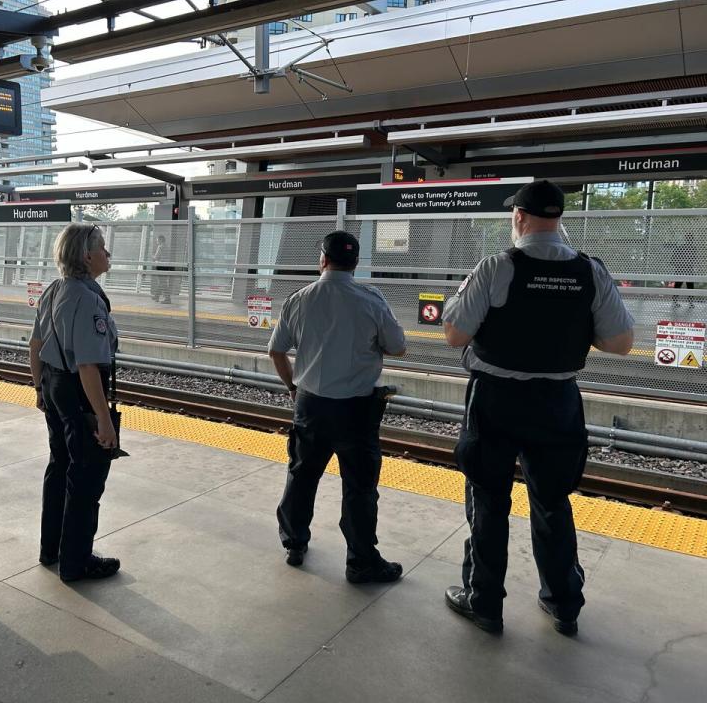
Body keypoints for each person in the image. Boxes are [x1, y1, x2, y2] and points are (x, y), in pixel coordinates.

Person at [442, 179, 634, 635]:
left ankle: (484, 601)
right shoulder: (591, 272)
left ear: (519, 218)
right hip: (557, 402)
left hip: (495, 399)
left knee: (489, 500)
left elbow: (454, 334)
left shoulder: (496, 266)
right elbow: (621, 343)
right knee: (551, 501)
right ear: (559, 219)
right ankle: (563, 602)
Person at [269, 231, 407, 584]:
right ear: (356, 262)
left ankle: (295, 543)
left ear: (322, 259)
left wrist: (292, 388)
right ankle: (361, 561)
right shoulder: (371, 300)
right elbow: (398, 347)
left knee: (302, 476)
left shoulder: (299, 299)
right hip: (357, 412)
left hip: (310, 405)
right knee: (359, 487)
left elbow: (277, 351)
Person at [28, 223, 121, 583]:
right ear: (87, 256)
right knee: (85, 476)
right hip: (79, 390)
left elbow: (35, 346)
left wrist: (39, 388)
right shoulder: (86, 299)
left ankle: (51, 549)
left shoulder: (53, 290)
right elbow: (87, 364)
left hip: (53, 385)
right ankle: (77, 562)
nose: (107, 254)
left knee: (60, 465)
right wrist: (104, 419)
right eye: (103, 248)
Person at [669, 232, 698, 306]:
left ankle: (684, 302)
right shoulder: (684, 248)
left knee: (686, 285)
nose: (690, 240)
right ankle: (687, 302)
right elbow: (673, 259)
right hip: (684, 269)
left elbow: (694, 259)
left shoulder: (691, 248)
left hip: (684, 269)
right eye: (689, 238)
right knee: (684, 285)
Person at [151, 234, 171, 304]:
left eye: (157, 240)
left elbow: (156, 257)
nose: (157, 241)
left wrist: (152, 256)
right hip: (166, 266)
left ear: (161, 240)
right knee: (162, 282)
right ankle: (156, 296)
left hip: (161, 266)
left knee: (163, 282)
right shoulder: (167, 247)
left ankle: (167, 298)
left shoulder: (160, 247)